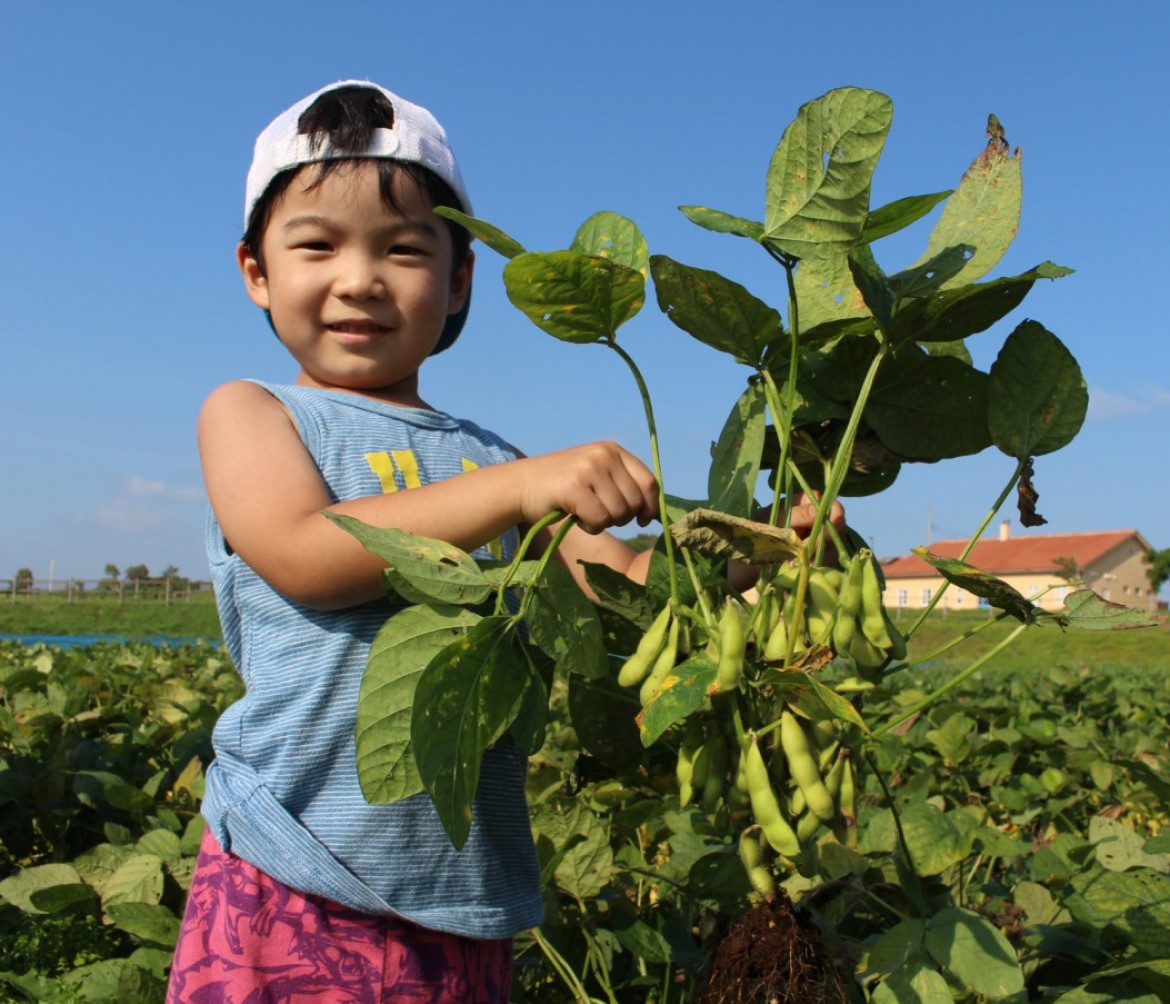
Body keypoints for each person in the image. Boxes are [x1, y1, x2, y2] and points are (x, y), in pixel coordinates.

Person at [167, 79, 839, 1004]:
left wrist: (766, 554)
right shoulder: (253, 413)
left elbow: (624, 589)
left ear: (459, 280)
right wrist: (521, 486)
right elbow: (306, 556)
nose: (359, 278)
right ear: (256, 271)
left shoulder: (492, 460)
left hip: (464, 893)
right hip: (293, 871)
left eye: (404, 250)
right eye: (316, 245)